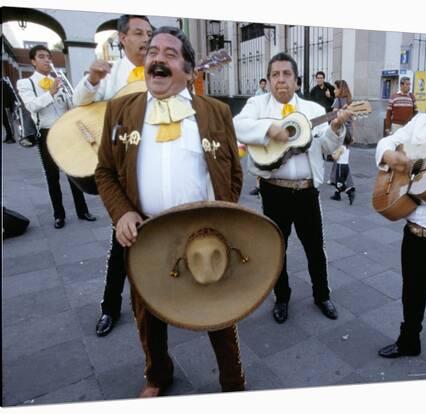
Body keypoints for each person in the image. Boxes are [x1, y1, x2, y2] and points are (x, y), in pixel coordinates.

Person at [95, 26, 245, 397]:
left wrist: (223, 217)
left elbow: (234, 173)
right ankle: (158, 375)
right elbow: (105, 171)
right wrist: (122, 213)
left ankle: (233, 383)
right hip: (145, 233)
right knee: (147, 314)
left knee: (219, 312)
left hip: (205, 232)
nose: (158, 59)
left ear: (189, 70)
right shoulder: (120, 110)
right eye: (152, 52)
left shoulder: (216, 112)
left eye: (170, 54)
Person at [234, 53, 351, 324]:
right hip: (273, 190)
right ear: (269, 80)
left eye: (286, 74)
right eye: (275, 75)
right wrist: (269, 129)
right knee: (277, 247)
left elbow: (328, 148)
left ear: (297, 81)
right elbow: (237, 125)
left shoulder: (313, 111)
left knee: (314, 247)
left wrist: (335, 128)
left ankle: (322, 295)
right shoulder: (257, 104)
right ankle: (282, 297)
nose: (281, 80)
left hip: (307, 190)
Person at [73, 15, 153, 338]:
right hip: (121, 171)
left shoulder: (160, 68)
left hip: (153, 165)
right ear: (123, 39)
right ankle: (109, 307)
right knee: (121, 242)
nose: (145, 38)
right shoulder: (113, 73)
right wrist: (92, 79)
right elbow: (81, 100)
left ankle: (164, 302)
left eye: (149, 32)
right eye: (138, 33)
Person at [375, 63, 426, 378]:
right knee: (411, 295)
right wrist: (392, 156)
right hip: (413, 232)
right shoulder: (421, 121)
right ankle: (409, 341)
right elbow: (387, 142)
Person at [17, 45, 96, 229]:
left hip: (66, 131)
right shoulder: (25, 84)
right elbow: (31, 106)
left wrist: (71, 100)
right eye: (42, 57)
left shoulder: (57, 81)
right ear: (33, 61)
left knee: (73, 171)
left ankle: (82, 210)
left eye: (48, 57)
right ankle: (59, 215)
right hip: (45, 132)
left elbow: (69, 106)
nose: (47, 60)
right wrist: (51, 92)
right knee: (52, 176)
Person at [73, 15, 153, 105]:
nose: (147, 39)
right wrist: (92, 81)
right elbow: (78, 101)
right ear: (123, 38)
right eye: (138, 33)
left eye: (150, 35)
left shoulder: (161, 72)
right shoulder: (107, 73)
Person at [329, 80, 355, 204]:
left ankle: (349, 188)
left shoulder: (338, 100)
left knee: (341, 161)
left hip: (340, 134)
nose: (334, 91)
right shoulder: (349, 101)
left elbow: (334, 117)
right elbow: (353, 120)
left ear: (340, 89)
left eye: (335, 88)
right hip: (348, 133)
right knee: (339, 160)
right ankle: (338, 190)